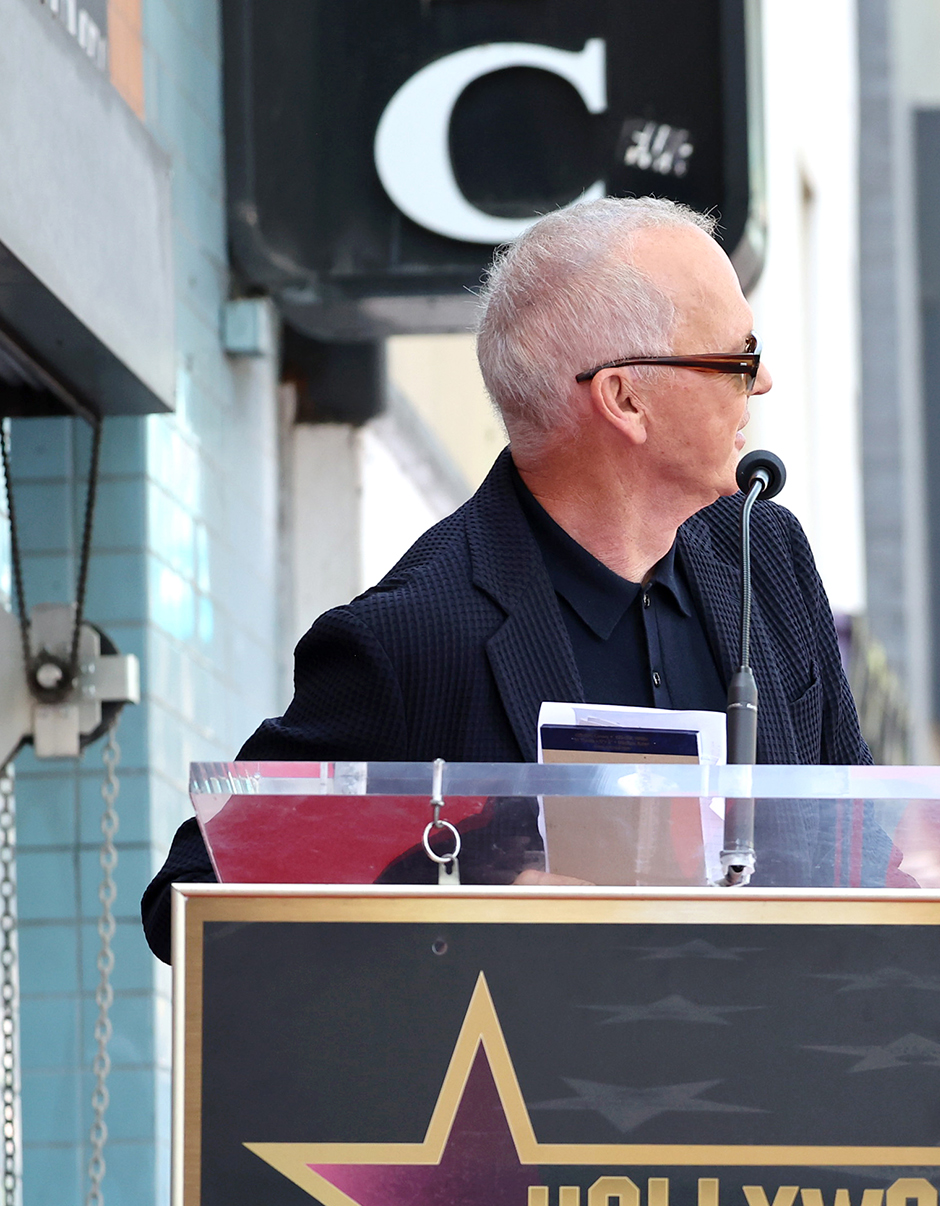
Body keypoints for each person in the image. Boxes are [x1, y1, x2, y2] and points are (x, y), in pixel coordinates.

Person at [140, 196, 870, 961]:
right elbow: (190, 899)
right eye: (737, 359)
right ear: (625, 399)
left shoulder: (767, 556)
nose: (762, 384)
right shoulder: (415, 636)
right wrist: (469, 901)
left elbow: (864, 853)